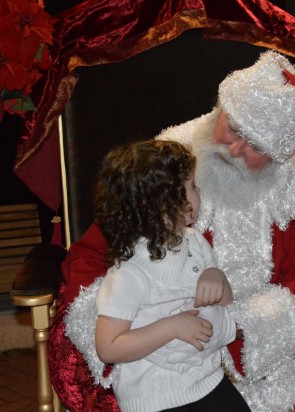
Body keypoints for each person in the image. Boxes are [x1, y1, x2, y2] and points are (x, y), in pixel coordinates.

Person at [49, 50, 295, 412]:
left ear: (279, 154)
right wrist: (140, 326)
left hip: (262, 352)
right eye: (233, 127)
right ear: (222, 107)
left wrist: (233, 324)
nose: (234, 149)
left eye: (255, 146)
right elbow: (94, 253)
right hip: (156, 356)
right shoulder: (172, 161)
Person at [85, 140, 250, 412]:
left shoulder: (195, 242)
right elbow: (108, 347)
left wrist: (217, 276)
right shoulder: (129, 273)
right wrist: (172, 327)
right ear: (159, 205)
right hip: (155, 397)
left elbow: (227, 306)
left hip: (206, 380)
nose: (198, 193)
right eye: (190, 187)